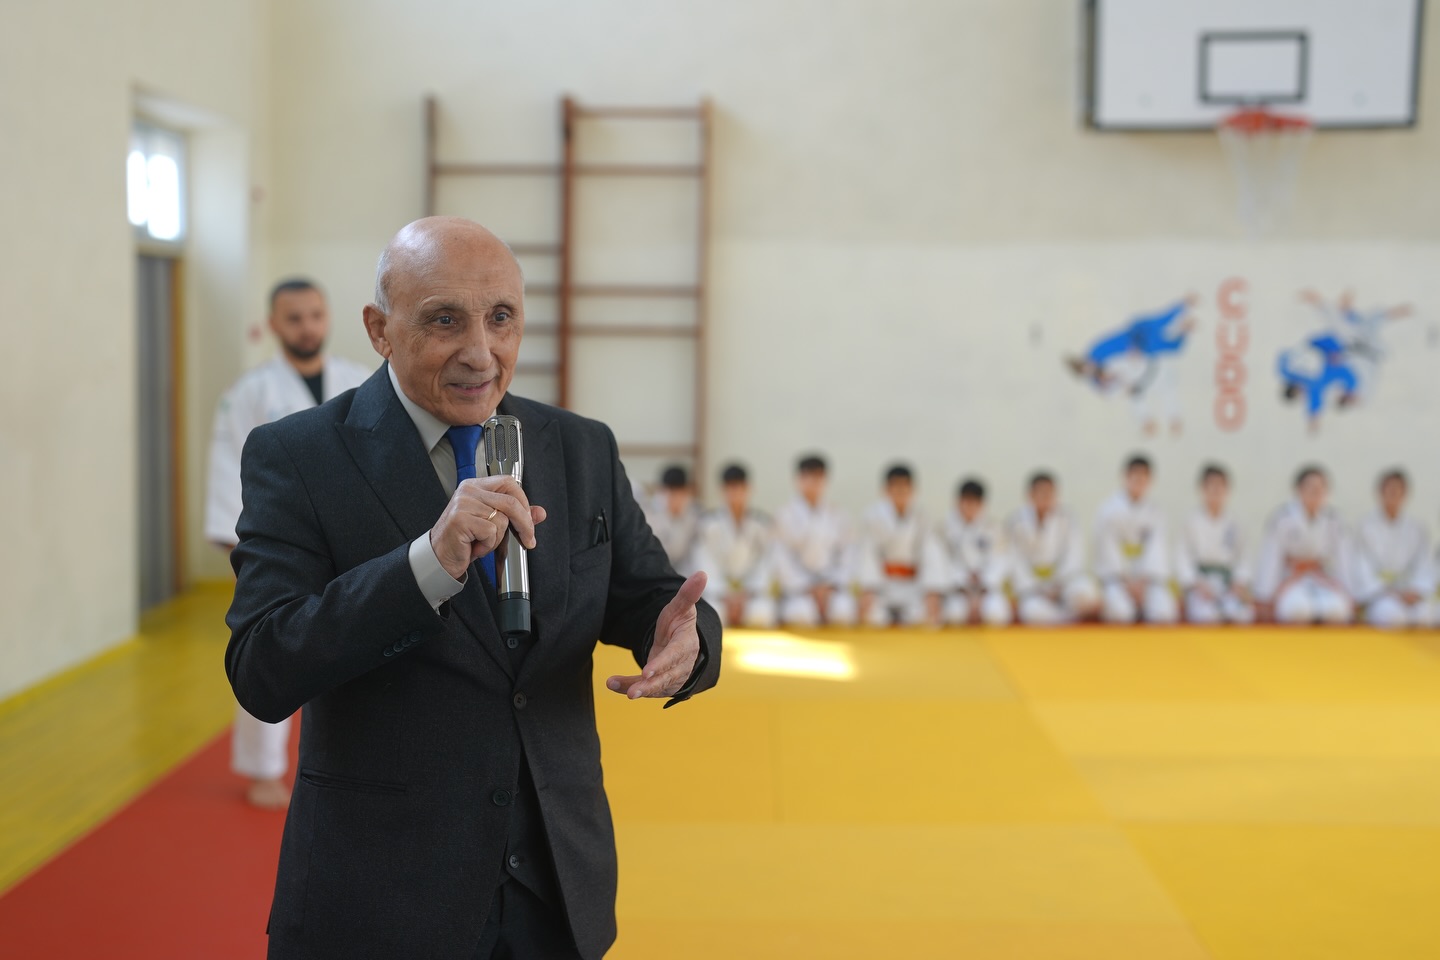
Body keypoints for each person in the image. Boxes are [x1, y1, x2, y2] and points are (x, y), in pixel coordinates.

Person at [224, 217, 721, 960]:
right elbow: (262, 665)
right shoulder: (299, 455)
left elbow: (649, 594)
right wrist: (426, 564)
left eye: (502, 318)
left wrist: (687, 636)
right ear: (380, 329)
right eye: (444, 320)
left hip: (557, 886)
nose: (481, 352)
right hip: (381, 897)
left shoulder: (579, 447)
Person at [204, 277, 372, 810]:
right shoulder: (249, 393)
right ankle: (262, 768)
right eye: (294, 318)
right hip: (282, 542)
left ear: (328, 317)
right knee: (271, 648)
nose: (307, 327)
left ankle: (360, 758)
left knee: (361, 643)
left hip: (354, 535)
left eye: (315, 315)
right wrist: (238, 545)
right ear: (274, 324)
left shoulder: (361, 382)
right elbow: (229, 468)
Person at [1066, 294, 1197, 437]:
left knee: (1165, 338)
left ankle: (1184, 316)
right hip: (1140, 365)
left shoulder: (1099, 353)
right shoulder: (1101, 375)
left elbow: (1160, 323)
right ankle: (1153, 422)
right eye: (1087, 370)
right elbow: (1114, 390)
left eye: (1087, 366)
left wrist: (1183, 308)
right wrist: (1112, 382)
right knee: (1139, 395)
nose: (1090, 368)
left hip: (1140, 344)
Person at [1254, 465, 1354, 624]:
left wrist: (1349, 592)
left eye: (1321, 487)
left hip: (1323, 578)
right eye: (1311, 487)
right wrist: (1265, 597)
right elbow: (1270, 558)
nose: (1316, 492)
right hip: (1290, 579)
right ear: (1298, 490)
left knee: (1337, 611)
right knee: (1298, 610)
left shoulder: (1335, 519)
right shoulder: (1282, 519)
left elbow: (1344, 560)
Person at [856, 464, 947, 626]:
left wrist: (932, 591)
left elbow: (931, 553)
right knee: (874, 618)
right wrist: (868, 588)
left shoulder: (922, 517)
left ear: (913, 490)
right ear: (886, 490)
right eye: (896, 488)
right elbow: (867, 552)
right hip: (883, 586)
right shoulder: (872, 516)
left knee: (922, 619)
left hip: (912, 586)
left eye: (904, 488)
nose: (900, 493)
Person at [773, 455, 859, 626]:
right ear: (798, 479)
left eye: (818, 476)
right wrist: (809, 588)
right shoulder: (784, 515)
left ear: (825, 480)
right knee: (801, 615)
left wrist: (830, 587)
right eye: (808, 476)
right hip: (798, 591)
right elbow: (781, 558)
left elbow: (848, 555)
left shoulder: (838, 514)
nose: (813, 482)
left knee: (843, 613)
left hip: (831, 587)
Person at [1006, 471, 1101, 625]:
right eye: (1041, 493)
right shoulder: (1016, 522)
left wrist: (1057, 586)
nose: (1045, 498)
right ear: (1030, 495)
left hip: (1063, 584)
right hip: (1033, 589)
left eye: (1049, 493)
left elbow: (1074, 556)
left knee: (1087, 593)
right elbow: (1015, 561)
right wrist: (1037, 588)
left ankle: (1062, 615)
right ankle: (1066, 618)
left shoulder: (1068, 518)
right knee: (1031, 612)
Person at [1094, 455, 1178, 624]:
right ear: (1125, 476)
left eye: (1143, 476)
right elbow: (1108, 551)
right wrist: (1126, 582)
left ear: (1150, 480)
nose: (1139, 480)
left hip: (1147, 581)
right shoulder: (1108, 511)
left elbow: (1157, 551)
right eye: (1135, 475)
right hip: (1117, 580)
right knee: (1120, 614)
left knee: (1165, 612)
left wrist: (1143, 582)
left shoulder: (1156, 512)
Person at [696, 464, 778, 628]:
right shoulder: (708, 523)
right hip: (719, 594)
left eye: (739, 487)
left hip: (750, 593)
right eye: (730, 488)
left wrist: (746, 594)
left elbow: (766, 561)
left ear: (749, 488)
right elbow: (705, 561)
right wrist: (725, 594)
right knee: (714, 614)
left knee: (763, 614)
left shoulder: (761, 523)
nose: (735, 493)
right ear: (722, 490)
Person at [1352, 469, 1434, 628]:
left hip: (1410, 590)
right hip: (1380, 594)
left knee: (1425, 616)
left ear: (1405, 494)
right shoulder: (1364, 526)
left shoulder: (1417, 528)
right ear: (1379, 492)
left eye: (1398, 490)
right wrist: (1391, 591)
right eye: (1389, 489)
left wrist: (1415, 590)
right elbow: (1361, 565)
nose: (1393, 493)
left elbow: (1424, 564)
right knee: (1394, 617)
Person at [1174, 464, 1254, 624]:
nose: (1216, 491)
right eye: (1211, 486)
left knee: (1244, 614)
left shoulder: (1235, 523)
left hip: (1228, 583)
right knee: (1207, 615)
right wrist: (1196, 584)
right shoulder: (1190, 522)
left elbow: (1244, 557)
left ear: (1227, 489)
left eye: (1220, 486)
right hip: (1201, 584)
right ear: (1202, 489)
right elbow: (1182, 557)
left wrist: (1239, 583)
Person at [938, 478, 1012, 626]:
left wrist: (982, 589)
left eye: (974, 502)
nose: (970, 507)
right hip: (957, 590)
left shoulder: (994, 528)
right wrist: (964, 583)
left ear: (982, 504)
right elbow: (942, 562)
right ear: (958, 502)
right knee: (954, 615)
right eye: (966, 501)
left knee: (996, 615)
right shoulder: (944, 529)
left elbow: (1000, 560)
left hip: (987, 589)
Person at [643, 464, 701, 576]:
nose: (673, 498)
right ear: (661, 490)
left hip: (684, 572)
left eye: (678, 493)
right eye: (669, 492)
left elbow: (694, 554)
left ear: (686, 491)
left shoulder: (694, 513)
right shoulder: (648, 514)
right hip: (654, 571)